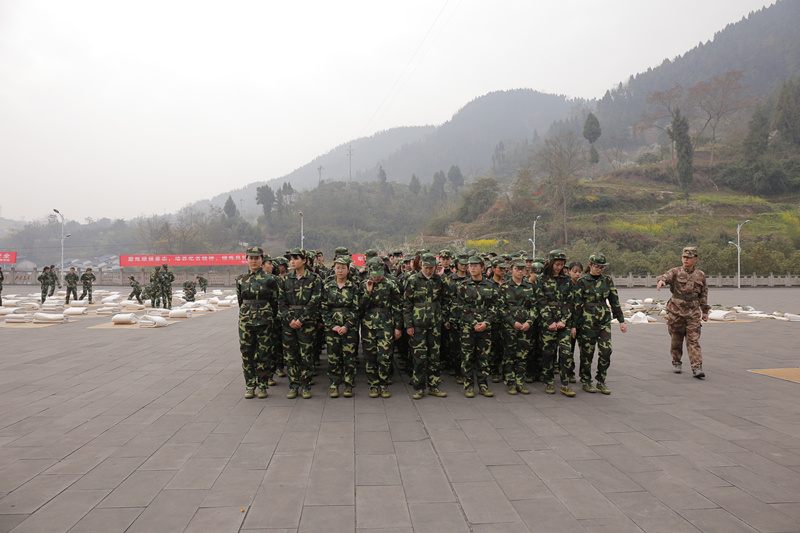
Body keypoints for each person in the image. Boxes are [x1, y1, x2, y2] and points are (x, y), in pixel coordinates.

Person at [574, 254, 626, 394]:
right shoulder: (582, 281)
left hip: (603, 320)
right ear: (590, 265)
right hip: (587, 320)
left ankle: (601, 380)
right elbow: (577, 304)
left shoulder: (607, 281)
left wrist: (621, 320)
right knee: (587, 352)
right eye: (597, 267)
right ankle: (586, 380)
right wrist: (574, 325)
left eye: (602, 267)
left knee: (606, 350)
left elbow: (614, 300)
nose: (600, 270)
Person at [237, 247, 282, 399]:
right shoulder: (241, 279)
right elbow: (240, 301)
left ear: (262, 260)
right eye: (251, 258)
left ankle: (262, 385)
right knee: (247, 353)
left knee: (264, 353)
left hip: (265, 320)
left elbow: (275, 301)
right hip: (246, 321)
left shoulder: (270, 279)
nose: (254, 261)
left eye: (257, 258)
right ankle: (250, 385)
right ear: (247, 259)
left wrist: (270, 316)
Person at [656, 246, 709, 378]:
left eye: (689, 258)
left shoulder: (700, 275)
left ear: (695, 259)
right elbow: (666, 276)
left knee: (694, 340)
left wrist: (705, 311)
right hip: (676, 312)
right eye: (684, 257)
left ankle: (697, 366)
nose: (685, 260)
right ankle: (676, 361)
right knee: (676, 338)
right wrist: (662, 281)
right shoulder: (675, 271)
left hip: (693, 312)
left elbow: (703, 294)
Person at [403, 253, 449, 399]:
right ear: (421, 265)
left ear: (435, 267)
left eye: (431, 268)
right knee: (419, 357)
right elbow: (407, 304)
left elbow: (446, 297)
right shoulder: (413, 280)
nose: (428, 270)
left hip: (434, 323)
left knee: (435, 356)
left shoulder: (438, 280)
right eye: (426, 267)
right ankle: (419, 387)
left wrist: (443, 276)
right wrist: (408, 324)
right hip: (418, 324)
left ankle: (434, 385)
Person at [280, 247, 323, 399]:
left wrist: (301, 319)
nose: (292, 261)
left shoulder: (314, 279)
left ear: (304, 260)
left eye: (296, 258)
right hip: (289, 323)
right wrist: (291, 319)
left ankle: (305, 386)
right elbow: (281, 302)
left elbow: (315, 301)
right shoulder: (285, 279)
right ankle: (293, 386)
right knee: (290, 355)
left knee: (307, 355)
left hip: (307, 322)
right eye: (291, 259)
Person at [452, 256, 498, 398]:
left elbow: (494, 306)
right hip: (468, 326)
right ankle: (469, 385)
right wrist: (473, 322)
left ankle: (483, 385)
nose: (472, 268)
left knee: (483, 357)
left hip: (485, 326)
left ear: (482, 268)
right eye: (470, 265)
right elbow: (461, 306)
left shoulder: (490, 285)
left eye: (475, 265)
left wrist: (486, 322)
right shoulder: (463, 286)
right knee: (467, 357)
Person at [534, 250, 577, 396]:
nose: (559, 267)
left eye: (562, 264)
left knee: (566, 352)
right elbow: (540, 301)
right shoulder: (541, 280)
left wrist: (563, 320)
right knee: (548, 353)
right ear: (550, 263)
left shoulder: (567, 280)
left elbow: (569, 302)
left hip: (564, 323)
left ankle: (565, 384)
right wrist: (550, 321)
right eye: (557, 264)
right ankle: (549, 382)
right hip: (548, 323)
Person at [360, 257, 402, 398]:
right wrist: (368, 292)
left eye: (379, 274)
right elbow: (359, 307)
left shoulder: (391, 285)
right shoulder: (363, 285)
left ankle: (383, 384)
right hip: (368, 325)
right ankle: (373, 385)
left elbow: (397, 307)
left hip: (386, 324)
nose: (377, 277)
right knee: (370, 356)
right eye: (374, 274)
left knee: (384, 356)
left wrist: (398, 327)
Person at [321, 256, 361, 398]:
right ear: (334, 269)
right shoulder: (328, 287)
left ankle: (349, 384)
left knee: (349, 358)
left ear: (348, 270)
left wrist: (347, 326)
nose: (340, 270)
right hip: (332, 329)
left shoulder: (353, 287)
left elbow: (357, 309)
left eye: (343, 268)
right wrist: (332, 326)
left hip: (349, 328)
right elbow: (323, 309)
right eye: (338, 268)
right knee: (333, 357)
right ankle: (334, 384)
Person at [499, 259, 536, 395]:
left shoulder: (530, 287)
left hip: (525, 325)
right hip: (510, 326)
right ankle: (510, 382)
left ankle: (520, 382)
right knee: (509, 354)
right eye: (517, 268)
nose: (520, 271)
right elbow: (501, 308)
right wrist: (512, 322)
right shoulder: (504, 287)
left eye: (522, 269)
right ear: (511, 270)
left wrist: (529, 322)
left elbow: (535, 307)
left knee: (523, 354)